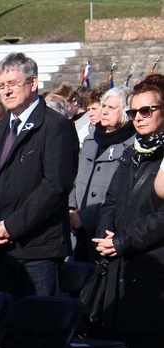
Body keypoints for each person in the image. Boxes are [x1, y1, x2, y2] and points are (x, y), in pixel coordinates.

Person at [93, 74, 164, 348]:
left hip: (156, 267)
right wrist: (107, 234)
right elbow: (110, 202)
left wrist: (123, 240)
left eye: (148, 110)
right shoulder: (131, 152)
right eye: (135, 111)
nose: (139, 117)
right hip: (127, 268)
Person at [0, 52, 78, 299]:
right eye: (1, 86)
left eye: (12, 84)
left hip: (37, 250)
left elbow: (56, 186)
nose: (5, 92)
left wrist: (12, 226)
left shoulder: (55, 127)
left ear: (33, 83)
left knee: (35, 327)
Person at [69, 86, 135, 262]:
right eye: (103, 106)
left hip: (106, 232)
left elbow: (120, 195)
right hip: (77, 230)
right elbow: (74, 179)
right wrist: (71, 209)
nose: (104, 111)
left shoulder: (132, 145)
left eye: (111, 108)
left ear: (126, 112)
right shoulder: (90, 140)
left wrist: (86, 218)